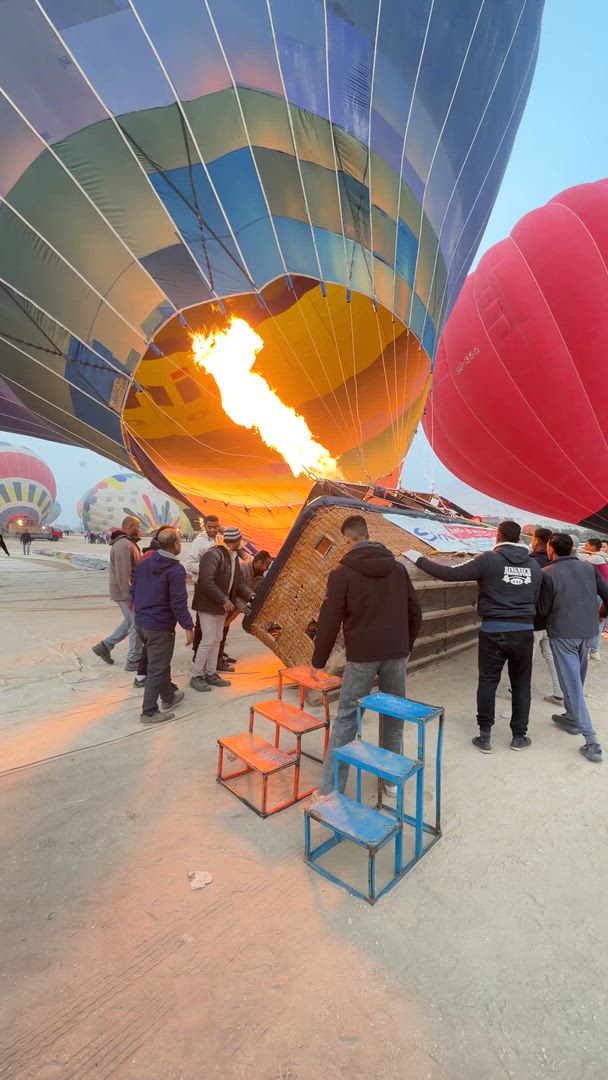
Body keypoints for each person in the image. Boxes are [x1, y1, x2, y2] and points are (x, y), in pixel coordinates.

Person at [405, 520, 541, 753]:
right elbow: (536, 597)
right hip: (524, 632)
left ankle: (485, 736)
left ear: (497, 536)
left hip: (494, 630)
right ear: (519, 538)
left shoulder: (487, 560)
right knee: (521, 684)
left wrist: (418, 558)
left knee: (488, 681)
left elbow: (449, 574)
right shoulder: (534, 566)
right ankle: (519, 737)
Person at [311, 514, 422, 799]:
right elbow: (415, 611)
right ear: (368, 535)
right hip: (395, 654)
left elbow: (329, 619)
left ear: (347, 539)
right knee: (393, 714)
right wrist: (407, 646)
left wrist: (318, 661)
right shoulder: (398, 569)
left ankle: (330, 789)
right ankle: (391, 782)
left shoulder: (342, 573)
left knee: (348, 717)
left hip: (362, 656)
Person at [538, 533, 608, 763]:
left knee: (572, 684)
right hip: (587, 630)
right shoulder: (588, 568)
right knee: (577, 678)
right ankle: (570, 717)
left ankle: (592, 741)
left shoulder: (547, 573)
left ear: (551, 550)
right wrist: (601, 613)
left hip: (564, 633)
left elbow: (543, 610)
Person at [130, 527, 194, 723]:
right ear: (175, 544)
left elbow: (133, 590)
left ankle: (168, 697)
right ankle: (149, 711)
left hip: (141, 622)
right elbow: (178, 602)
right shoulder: (176, 569)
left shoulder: (145, 562)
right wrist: (188, 626)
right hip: (159, 626)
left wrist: (141, 611)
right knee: (157, 668)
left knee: (160, 661)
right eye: (179, 541)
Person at [190, 526, 254, 691]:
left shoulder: (232, 557)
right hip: (209, 605)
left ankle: (211, 673)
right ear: (236, 541)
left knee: (217, 639)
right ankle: (196, 675)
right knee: (208, 640)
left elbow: (238, 583)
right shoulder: (214, 554)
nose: (242, 544)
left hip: (221, 606)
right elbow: (206, 581)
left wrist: (252, 596)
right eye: (240, 541)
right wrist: (223, 599)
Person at [92, 516, 143, 669]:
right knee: (136, 624)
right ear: (129, 526)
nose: (140, 529)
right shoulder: (123, 545)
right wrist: (130, 596)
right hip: (125, 592)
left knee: (129, 622)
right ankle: (133, 660)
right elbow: (123, 574)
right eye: (138, 526)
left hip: (128, 591)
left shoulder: (128, 543)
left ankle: (105, 646)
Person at [217, 550, 273, 672]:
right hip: (227, 605)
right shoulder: (242, 569)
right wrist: (248, 600)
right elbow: (235, 589)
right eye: (266, 565)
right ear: (259, 562)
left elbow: (255, 594)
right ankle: (217, 660)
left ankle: (220, 655)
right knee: (218, 632)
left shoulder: (260, 577)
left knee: (224, 630)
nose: (267, 568)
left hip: (236, 608)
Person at [529, 527, 563, 705]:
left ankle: (521, 690)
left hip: (535, 618)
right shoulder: (558, 562)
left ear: (536, 540)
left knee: (527, 656)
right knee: (550, 655)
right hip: (552, 618)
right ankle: (559, 692)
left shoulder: (530, 562)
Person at [578, 538, 608, 660]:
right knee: (598, 621)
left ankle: (590, 649)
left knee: (594, 621)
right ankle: (594, 650)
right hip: (601, 593)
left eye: (587, 545)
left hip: (597, 594)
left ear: (593, 547)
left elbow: (579, 562)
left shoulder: (596, 558)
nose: (584, 546)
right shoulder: (600, 557)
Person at [184, 515, 220, 583]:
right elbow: (189, 565)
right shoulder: (198, 541)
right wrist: (210, 568)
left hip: (219, 583)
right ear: (205, 526)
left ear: (218, 526)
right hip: (203, 583)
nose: (212, 530)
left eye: (215, 527)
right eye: (210, 527)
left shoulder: (221, 539)